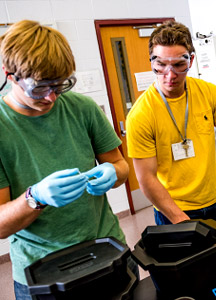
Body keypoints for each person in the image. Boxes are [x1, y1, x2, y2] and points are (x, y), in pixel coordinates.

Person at [0, 20, 131, 299]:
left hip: (106, 249)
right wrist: (35, 198)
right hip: (42, 270)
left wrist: (113, 172)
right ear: (9, 75)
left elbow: (121, 167)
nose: (50, 97)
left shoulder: (82, 108)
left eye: (60, 86)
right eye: (39, 88)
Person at [126, 20, 216, 227]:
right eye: (160, 65)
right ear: (151, 61)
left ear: (191, 60)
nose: (170, 75)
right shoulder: (141, 114)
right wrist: (180, 220)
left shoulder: (209, 93)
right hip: (172, 210)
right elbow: (146, 178)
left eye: (178, 65)